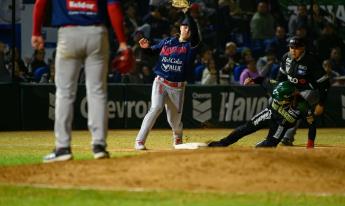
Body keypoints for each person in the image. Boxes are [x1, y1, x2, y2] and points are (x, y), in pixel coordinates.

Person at [32, 0, 130, 162]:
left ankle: (63, 147)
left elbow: (40, 3)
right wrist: (122, 42)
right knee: (97, 92)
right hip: (97, 33)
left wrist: (36, 31)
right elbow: (113, 7)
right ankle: (99, 145)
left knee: (64, 93)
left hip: (68, 34)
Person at [134, 6, 201, 150]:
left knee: (174, 121)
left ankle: (177, 136)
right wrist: (145, 48)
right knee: (155, 108)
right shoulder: (168, 42)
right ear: (180, 28)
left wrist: (188, 14)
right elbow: (152, 53)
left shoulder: (192, 46)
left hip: (177, 87)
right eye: (185, 27)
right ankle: (139, 141)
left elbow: (195, 32)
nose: (187, 30)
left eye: (190, 28)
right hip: (161, 81)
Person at [208, 81, 311, 148]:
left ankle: (258, 150)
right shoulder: (277, 88)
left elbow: (312, 125)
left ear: (289, 97)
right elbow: (264, 80)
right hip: (269, 114)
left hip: (280, 125)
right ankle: (222, 143)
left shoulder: (303, 107)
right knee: (246, 128)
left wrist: (310, 142)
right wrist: (253, 79)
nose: (277, 100)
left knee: (268, 146)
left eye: (280, 99)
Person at [277, 36, 329, 147]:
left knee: (296, 107)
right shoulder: (286, 58)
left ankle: (287, 137)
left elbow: (324, 83)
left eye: (296, 48)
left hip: (310, 90)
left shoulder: (311, 61)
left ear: (303, 48)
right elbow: (280, 77)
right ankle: (276, 133)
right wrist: (279, 91)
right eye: (291, 47)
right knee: (273, 100)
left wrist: (321, 103)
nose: (293, 50)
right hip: (293, 89)